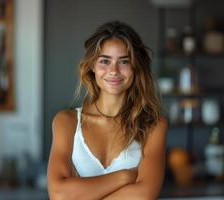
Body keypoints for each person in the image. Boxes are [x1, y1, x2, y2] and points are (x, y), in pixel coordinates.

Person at [47, 21, 168, 200]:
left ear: (135, 68)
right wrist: (125, 176)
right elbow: (59, 194)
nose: (114, 71)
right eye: (105, 61)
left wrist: (81, 194)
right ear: (92, 66)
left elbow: (144, 195)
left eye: (124, 61)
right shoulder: (67, 121)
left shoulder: (154, 125)